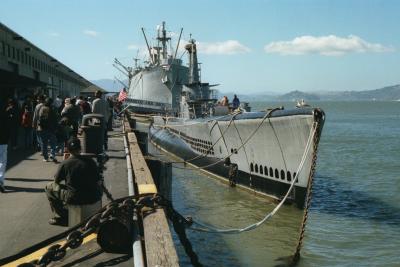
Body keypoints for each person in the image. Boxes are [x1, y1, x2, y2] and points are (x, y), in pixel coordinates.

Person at [45, 138, 103, 225]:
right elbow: (98, 181)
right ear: (80, 149)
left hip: (75, 198)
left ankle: (61, 216)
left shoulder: (65, 163)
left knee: (49, 187)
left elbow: (56, 181)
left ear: (67, 150)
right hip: (93, 196)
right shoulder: (91, 161)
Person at [37, 98, 59, 163]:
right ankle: (52, 154)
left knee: (44, 143)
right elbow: (56, 119)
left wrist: (40, 125)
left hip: (43, 129)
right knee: (53, 143)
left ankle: (46, 158)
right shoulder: (54, 109)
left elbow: (40, 118)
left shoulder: (42, 109)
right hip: (52, 129)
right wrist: (56, 128)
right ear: (51, 103)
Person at [0, 99, 10, 193]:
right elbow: (8, 129)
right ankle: (0, 180)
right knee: (2, 162)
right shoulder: (6, 115)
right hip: (3, 141)